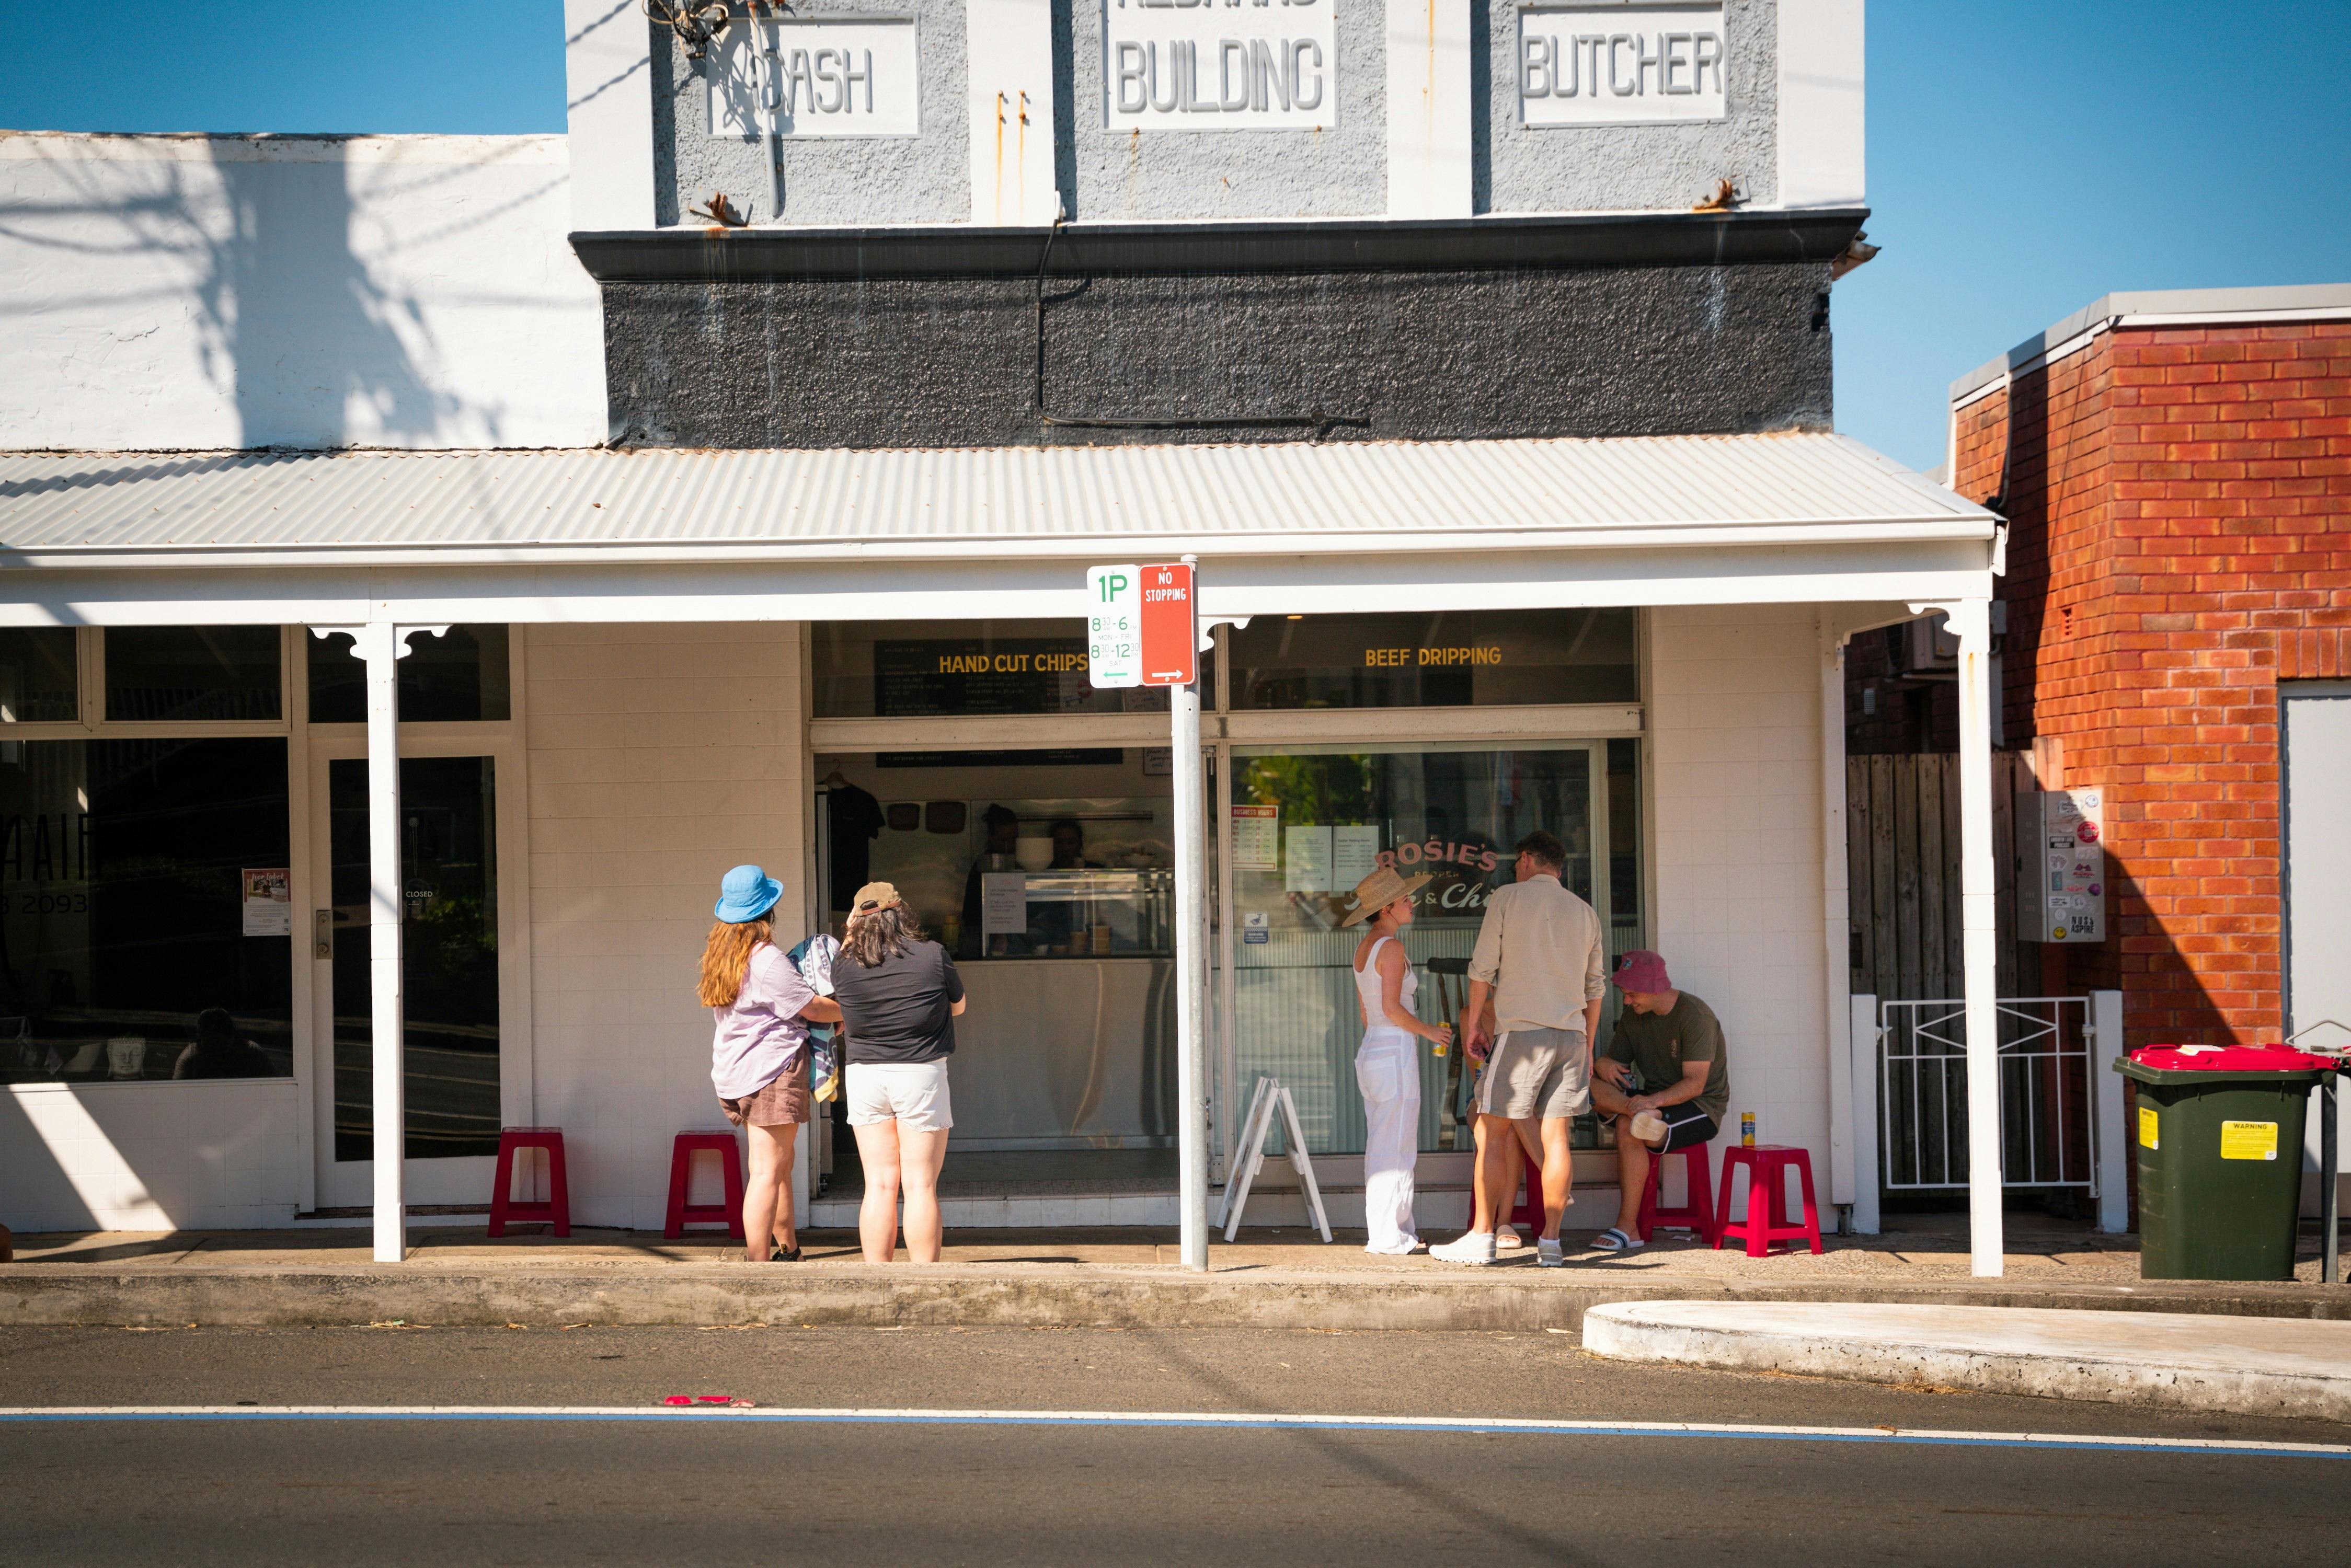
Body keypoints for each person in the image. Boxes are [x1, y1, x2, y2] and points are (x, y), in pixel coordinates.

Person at [1431, 829, 1606, 1269]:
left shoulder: (1508, 898)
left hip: (1522, 1034)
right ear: (1560, 867)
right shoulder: (1585, 912)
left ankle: (1481, 1235)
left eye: (1517, 860)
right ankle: (1550, 1243)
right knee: (1557, 1138)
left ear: (1527, 858)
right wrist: (1588, 1041)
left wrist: (1473, 1024)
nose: (1515, 867)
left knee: (1491, 1132)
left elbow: (1482, 969)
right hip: (1571, 1037)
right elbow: (1595, 987)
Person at [699, 863, 841, 1263]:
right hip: (770, 1075)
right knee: (766, 1172)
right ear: (768, 911)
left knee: (777, 1165)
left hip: (737, 1074)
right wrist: (847, 1010)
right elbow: (810, 1007)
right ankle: (757, 1263)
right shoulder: (765, 959)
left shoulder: (721, 955)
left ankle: (788, 1248)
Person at [830, 881, 966, 1264]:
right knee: (920, 1185)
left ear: (856, 920)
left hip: (865, 1077)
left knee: (879, 1184)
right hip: (919, 1073)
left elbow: (839, 987)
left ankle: (877, 1280)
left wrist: (849, 932)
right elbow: (958, 1007)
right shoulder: (932, 954)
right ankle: (923, 1282)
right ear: (901, 911)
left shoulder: (843, 964)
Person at [1590, 950, 1731, 1254]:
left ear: (1654, 988)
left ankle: (1627, 1227)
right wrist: (1602, 1063)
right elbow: (1614, 1064)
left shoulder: (1696, 1016)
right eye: (1624, 994)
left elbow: (1696, 1084)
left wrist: (1652, 1101)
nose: (1626, 1001)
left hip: (1699, 1107)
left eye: (1631, 994)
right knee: (1586, 1085)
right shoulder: (1634, 1015)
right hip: (1650, 1103)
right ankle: (1638, 1114)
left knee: (1631, 1127)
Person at [1343, 867, 1452, 1255]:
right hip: (1393, 1051)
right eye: (1406, 899)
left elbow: (1367, 1011)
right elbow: (1392, 1008)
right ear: (1387, 907)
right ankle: (1389, 1236)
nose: (1412, 903)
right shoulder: (1391, 948)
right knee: (1397, 1146)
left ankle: (1397, 1228)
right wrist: (1428, 1031)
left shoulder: (1365, 948)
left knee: (1384, 1143)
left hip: (1372, 1048)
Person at [960, 804, 1023, 957]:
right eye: (1004, 840)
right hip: (988, 944)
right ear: (991, 837)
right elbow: (973, 917)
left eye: (1014, 839)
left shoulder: (1022, 864)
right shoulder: (983, 867)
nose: (1009, 846)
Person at [173, 1008, 275, 1079]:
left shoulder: (252, 1052)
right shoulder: (190, 1056)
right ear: (200, 1038)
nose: (218, 1055)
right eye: (211, 1047)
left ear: (231, 1037)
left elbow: (271, 1084)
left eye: (222, 1046)